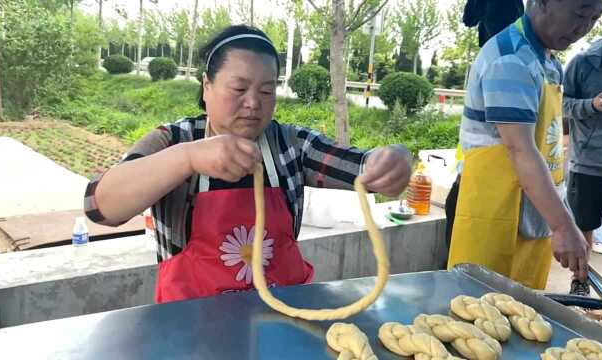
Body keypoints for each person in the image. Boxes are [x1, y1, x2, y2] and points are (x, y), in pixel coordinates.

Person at [83, 25, 412, 304]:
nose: (253, 103)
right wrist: (188, 158)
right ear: (206, 86)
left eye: (267, 90)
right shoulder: (172, 141)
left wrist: (392, 160)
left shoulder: (291, 144)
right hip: (190, 327)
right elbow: (100, 206)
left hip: (282, 316)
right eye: (239, 88)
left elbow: (365, 169)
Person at [446, 0, 602, 290]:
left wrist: (560, 218)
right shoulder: (511, 59)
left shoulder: (548, 61)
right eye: (580, 12)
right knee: (478, 312)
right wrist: (562, 225)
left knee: (523, 313)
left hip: (532, 215)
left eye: (594, 18)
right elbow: (520, 148)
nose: (584, 28)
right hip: (492, 212)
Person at [563, 10, 602, 292]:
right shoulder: (585, 62)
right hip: (589, 164)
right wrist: (592, 106)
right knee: (583, 228)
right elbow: (560, 104)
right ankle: (579, 282)